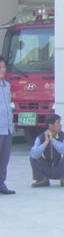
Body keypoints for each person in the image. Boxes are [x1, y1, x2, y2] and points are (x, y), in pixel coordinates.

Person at [30, 113, 64, 188]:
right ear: (50, 125)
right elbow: (34, 154)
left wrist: (53, 140)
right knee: (33, 157)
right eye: (58, 122)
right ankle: (42, 179)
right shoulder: (40, 138)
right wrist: (46, 142)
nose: (60, 125)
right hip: (47, 167)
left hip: (59, 167)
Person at [0, 56, 15, 194]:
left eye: (4, 67)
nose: (3, 70)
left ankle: (1, 184)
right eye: (0, 67)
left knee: (4, 159)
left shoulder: (7, 85)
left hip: (7, 128)